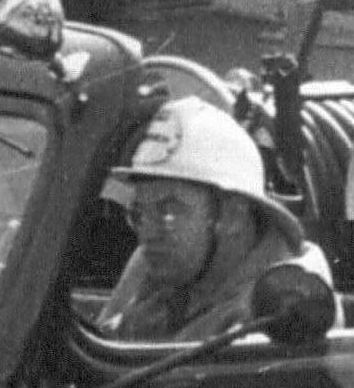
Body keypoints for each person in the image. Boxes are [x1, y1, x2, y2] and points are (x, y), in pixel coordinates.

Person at [90, 99, 338, 346]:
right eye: (140, 212)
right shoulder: (160, 263)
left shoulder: (283, 315)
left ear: (233, 215)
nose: (148, 234)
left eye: (170, 208)